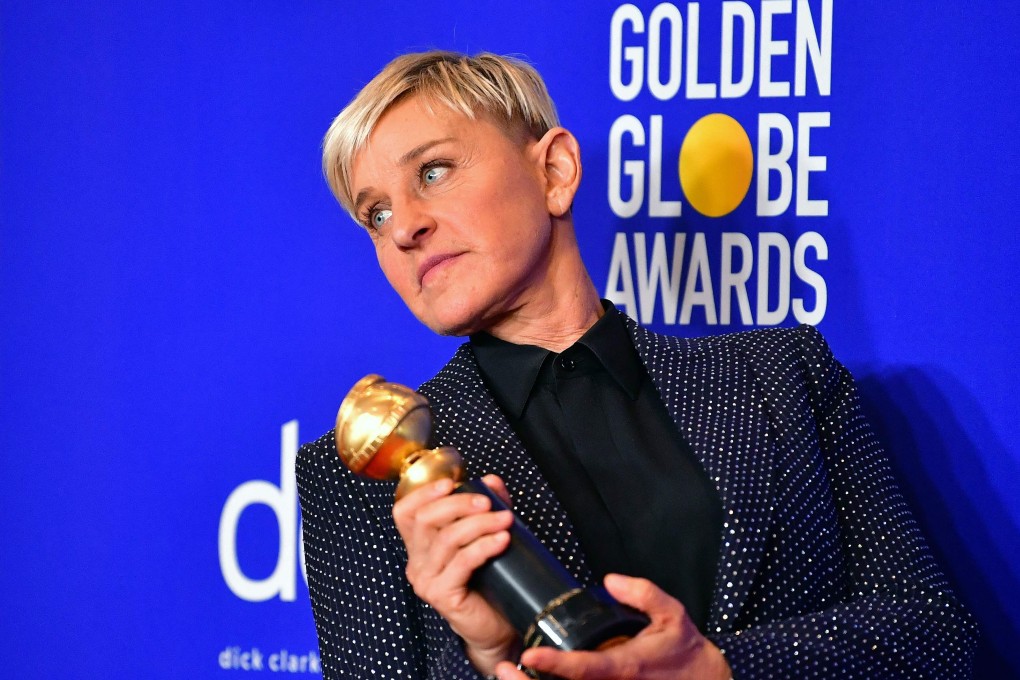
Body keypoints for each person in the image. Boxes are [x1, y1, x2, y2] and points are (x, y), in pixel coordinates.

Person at [296, 51, 977, 679]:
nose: (405, 227)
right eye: (375, 214)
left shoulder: (785, 375)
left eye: (434, 172)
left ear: (554, 171)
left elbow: (934, 634)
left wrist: (717, 668)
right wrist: (487, 652)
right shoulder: (354, 478)